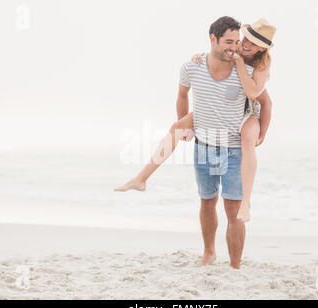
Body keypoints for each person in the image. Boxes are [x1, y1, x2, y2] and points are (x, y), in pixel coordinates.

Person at [115, 16, 276, 269]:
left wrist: (263, 132)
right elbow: (182, 94)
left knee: (234, 211)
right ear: (213, 39)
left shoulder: (253, 69)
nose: (236, 46)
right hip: (205, 145)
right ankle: (207, 252)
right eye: (231, 41)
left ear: (262, 48)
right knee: (206, 200)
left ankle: (235, 266)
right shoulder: (195, 65)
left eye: (239, 41)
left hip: (237, 140)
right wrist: (185, 124)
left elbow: (262, 99)